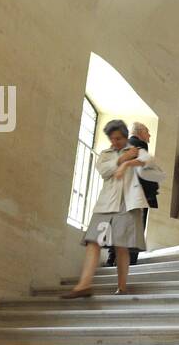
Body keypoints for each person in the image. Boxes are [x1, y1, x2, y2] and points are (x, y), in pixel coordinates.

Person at [63, 118, 165, 298]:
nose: (114, 142)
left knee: (122, 245)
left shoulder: (137, 149)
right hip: (106, 203)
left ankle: (122, 287)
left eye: (118, 138)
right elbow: (104, 171)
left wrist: (127, 162)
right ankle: (84, 285)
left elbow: (149, 162)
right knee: (93, 241)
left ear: (125, 136)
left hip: (129, 203)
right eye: (112, 138)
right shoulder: (105, 154)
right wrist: (122, 159)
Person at [106, 121, 159, 267]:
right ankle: (130, 260)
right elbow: (144, 172)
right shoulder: (139, 146)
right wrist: (151, 192)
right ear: (140, 132)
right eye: (147, 132)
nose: (149, 135)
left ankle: (112, 258)